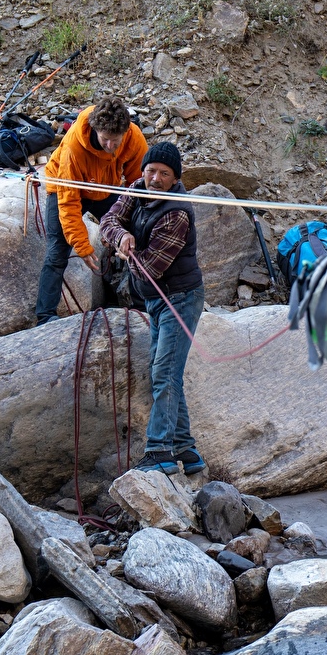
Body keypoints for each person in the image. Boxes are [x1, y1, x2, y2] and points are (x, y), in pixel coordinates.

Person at [99, 141, 206, 475]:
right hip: (156, 300)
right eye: (151, 171)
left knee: (164, 372)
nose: (155, 178)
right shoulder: (136, 188)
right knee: (166, 372)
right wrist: (120, 237)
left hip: (181, 299)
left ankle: (160, 450)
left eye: (164, 173)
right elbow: (108, 219)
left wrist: (125, 252)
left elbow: (150, 269)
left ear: (175, 179)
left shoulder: (177, 213)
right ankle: (187, 451)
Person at [35, 98, 147, 326]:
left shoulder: (133, 138)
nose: (110, 146)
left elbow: (139, 183)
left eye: (116, 141)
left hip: (105, 186)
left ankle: (140, 300)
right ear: (95, 130)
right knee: (57, 252)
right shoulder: (74, 148)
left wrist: (133, 219)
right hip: (66, 187)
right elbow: (68, 203)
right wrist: (83, 246)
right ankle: (45, 316)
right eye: (105, 139)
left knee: (139, 228)